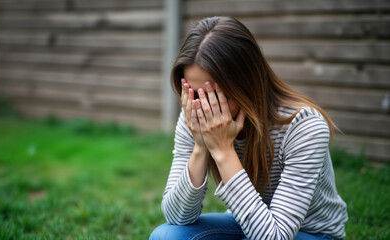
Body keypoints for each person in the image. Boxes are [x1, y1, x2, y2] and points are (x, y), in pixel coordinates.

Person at [149, 16, 348, 240]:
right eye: (195, 94)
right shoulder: (195, 118)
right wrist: (200, 146)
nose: (204, 107)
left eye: (214, 95)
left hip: (311, 233)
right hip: (246, 223)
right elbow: (177, 217)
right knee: (166, 236)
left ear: (246, 82)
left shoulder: (304, 126)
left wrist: (224, 152)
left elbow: (275, 236)